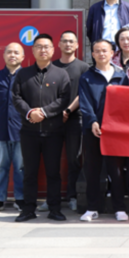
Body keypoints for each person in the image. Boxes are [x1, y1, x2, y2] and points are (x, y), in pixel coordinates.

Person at [11, 34, 70, 222]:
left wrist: (44, 112)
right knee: (29, 173)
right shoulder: (23, 74)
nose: (43, 50)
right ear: (33, 50)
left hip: (53, 132)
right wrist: (30, 113)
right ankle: (28, 209)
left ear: (53, 50)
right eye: (39, 46)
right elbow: (16, 97)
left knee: (53, 172)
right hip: (29, 132)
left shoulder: (61, 74)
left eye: (46, 47)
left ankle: (55, 209)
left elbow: (64, 99)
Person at [77, 39, 129, 222]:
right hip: (93, 130)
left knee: (116, 170)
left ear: (112, 53)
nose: (101, 54)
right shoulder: (86, 77)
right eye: (97, 51)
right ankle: (92, 208)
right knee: (92, 170)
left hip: (114, 131)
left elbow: (126, 102)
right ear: (92, 54)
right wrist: (92, 121)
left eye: (104, 50)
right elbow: (84, 102)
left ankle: (119, 208)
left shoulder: (121, 76)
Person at [0, 42, 25, 214]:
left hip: (21, 131)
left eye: (16, 52)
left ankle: (21, 199)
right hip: (0, 130)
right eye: (9, 52)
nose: (12, 55)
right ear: (4, 55)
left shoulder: (28, 77)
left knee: (21, 167)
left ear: (22, 56)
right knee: (0, 167)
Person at [52, 31, 89, 212]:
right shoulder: (51, 66)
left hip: (75, 119)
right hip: (53, 119)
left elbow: (84, 93)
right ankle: (51, 198)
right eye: (64, 41)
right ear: (59, 44)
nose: (68, 44)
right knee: (52, 159)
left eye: (71, 41)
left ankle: (72, 196)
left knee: (74, 159)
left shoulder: (83, 67)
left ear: (77, 45)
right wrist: (56, 111)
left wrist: (67, 110)